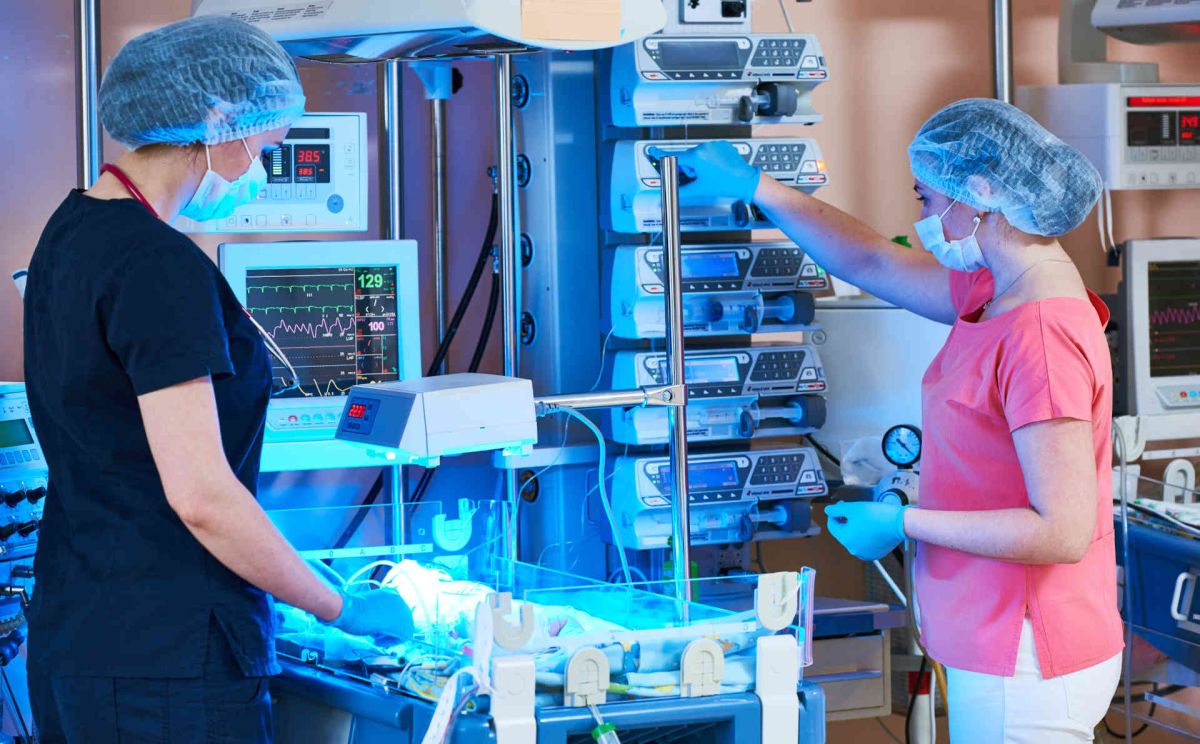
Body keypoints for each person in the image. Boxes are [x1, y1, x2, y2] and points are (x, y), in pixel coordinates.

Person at [660, 99, 1123, 743]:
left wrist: (903, 521)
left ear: (981, 193)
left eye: (927, 198)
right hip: (996, 640)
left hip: (1026, 657)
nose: (921, 218)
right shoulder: (996, 290)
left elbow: (1062, 531)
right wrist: (758, 187)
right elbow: (875, 263)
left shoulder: (1040, 334)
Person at [23, 16, 411, 743]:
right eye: (267, 148)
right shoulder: (157, 266)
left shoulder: (70, 232)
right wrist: (339, 607)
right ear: (220, 120)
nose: (262, 168)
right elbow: (202, 497)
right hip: (167, 663)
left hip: (82, 641)